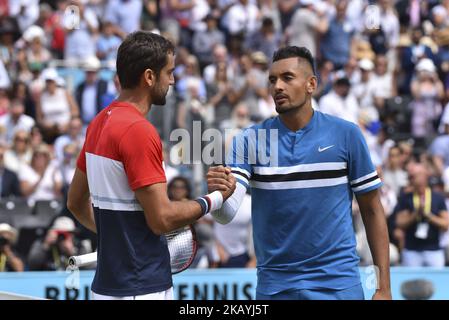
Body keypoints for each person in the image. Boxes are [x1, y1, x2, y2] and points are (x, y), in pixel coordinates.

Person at [207, 46, 392, 300]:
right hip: (276, 288)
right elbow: (226, 214)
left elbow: (372, 211)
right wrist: (219, 197)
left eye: (287, 77)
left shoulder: (346, 134)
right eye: (272, 80)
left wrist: (382, 287)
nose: (277, 87)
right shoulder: (249, 140)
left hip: (338, 286)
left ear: (311, 84)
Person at [67, 31, 236, 301]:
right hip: (142, 288)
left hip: (107, 289)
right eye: (168, 72)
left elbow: (75, 202)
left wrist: (117, 239)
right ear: (149, 77)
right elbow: (162, 219)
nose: (171, 80)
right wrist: (216, 198)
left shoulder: (99, 122)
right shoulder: (138, 130)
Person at [395, 162, 449, 267]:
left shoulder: (437, 197)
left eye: (413, 176)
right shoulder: (406, 197)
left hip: (434, 250)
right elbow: (399, 222)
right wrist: (415, 214)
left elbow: (446, 224)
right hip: (411, 250)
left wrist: (428, 215)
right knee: (411, 282)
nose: (410, 179)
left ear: (424, 176)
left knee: (437, 282)